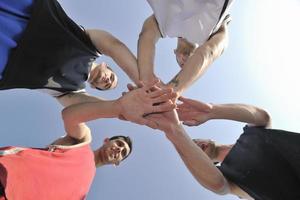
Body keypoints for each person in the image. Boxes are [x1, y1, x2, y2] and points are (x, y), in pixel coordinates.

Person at [0, 80, 177, 199]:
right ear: (107, 140)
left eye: (123, 153)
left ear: (118, 163)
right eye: (119, 144)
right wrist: (118, 107)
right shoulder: (83, 141)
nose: (119, 150)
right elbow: (70, 116)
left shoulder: (83, 192)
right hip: (7, 174)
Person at [146, 97, 300, 200]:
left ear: (208, 138)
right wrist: (175, 132)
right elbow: (219, 185)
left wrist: (212, 111)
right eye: (193, 148)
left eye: (195, 142)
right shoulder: (228, 178)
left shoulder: (251, 133)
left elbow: (262, 116)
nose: (197, 146)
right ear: (208, 163)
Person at [0, 0, 140, 107]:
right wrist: (144, 84)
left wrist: (120, 105)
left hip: (7, 59)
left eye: (107, 86)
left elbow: (89, 106)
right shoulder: (92, 46)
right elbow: (114, 46)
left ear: (94, 87)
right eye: (111, 77)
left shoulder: (71, 91)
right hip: (25, 12)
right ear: (105, 65)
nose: (108, 81)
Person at [138, 0, 234, 95]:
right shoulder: (211, 34)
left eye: (181, 64)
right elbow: (208, 54)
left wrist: (147, 81)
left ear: (175, 52)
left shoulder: (163, 26)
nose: (185, 63)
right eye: (186, 66)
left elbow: (147, 36)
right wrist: (172, 91)